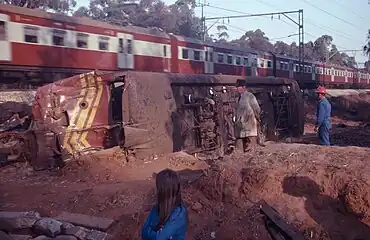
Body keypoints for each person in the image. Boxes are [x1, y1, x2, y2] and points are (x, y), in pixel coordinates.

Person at [142, 169, 187, 240]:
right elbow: (144, 232)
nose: (155, 189)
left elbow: (157, 237)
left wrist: (152, 233)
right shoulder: (157, 207)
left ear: (162, 191)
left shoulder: (179, 214)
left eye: (157, 186)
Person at [234, 79, 261, 152]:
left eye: (238, 87)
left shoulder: (250, 96)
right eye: (236, 87)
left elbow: (257, 108)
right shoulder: (238, 98)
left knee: (251, 146)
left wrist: (256, 117)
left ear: (244, 87)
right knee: (243, 147)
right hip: (241, 127)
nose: (237, 89)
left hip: (250, 125)